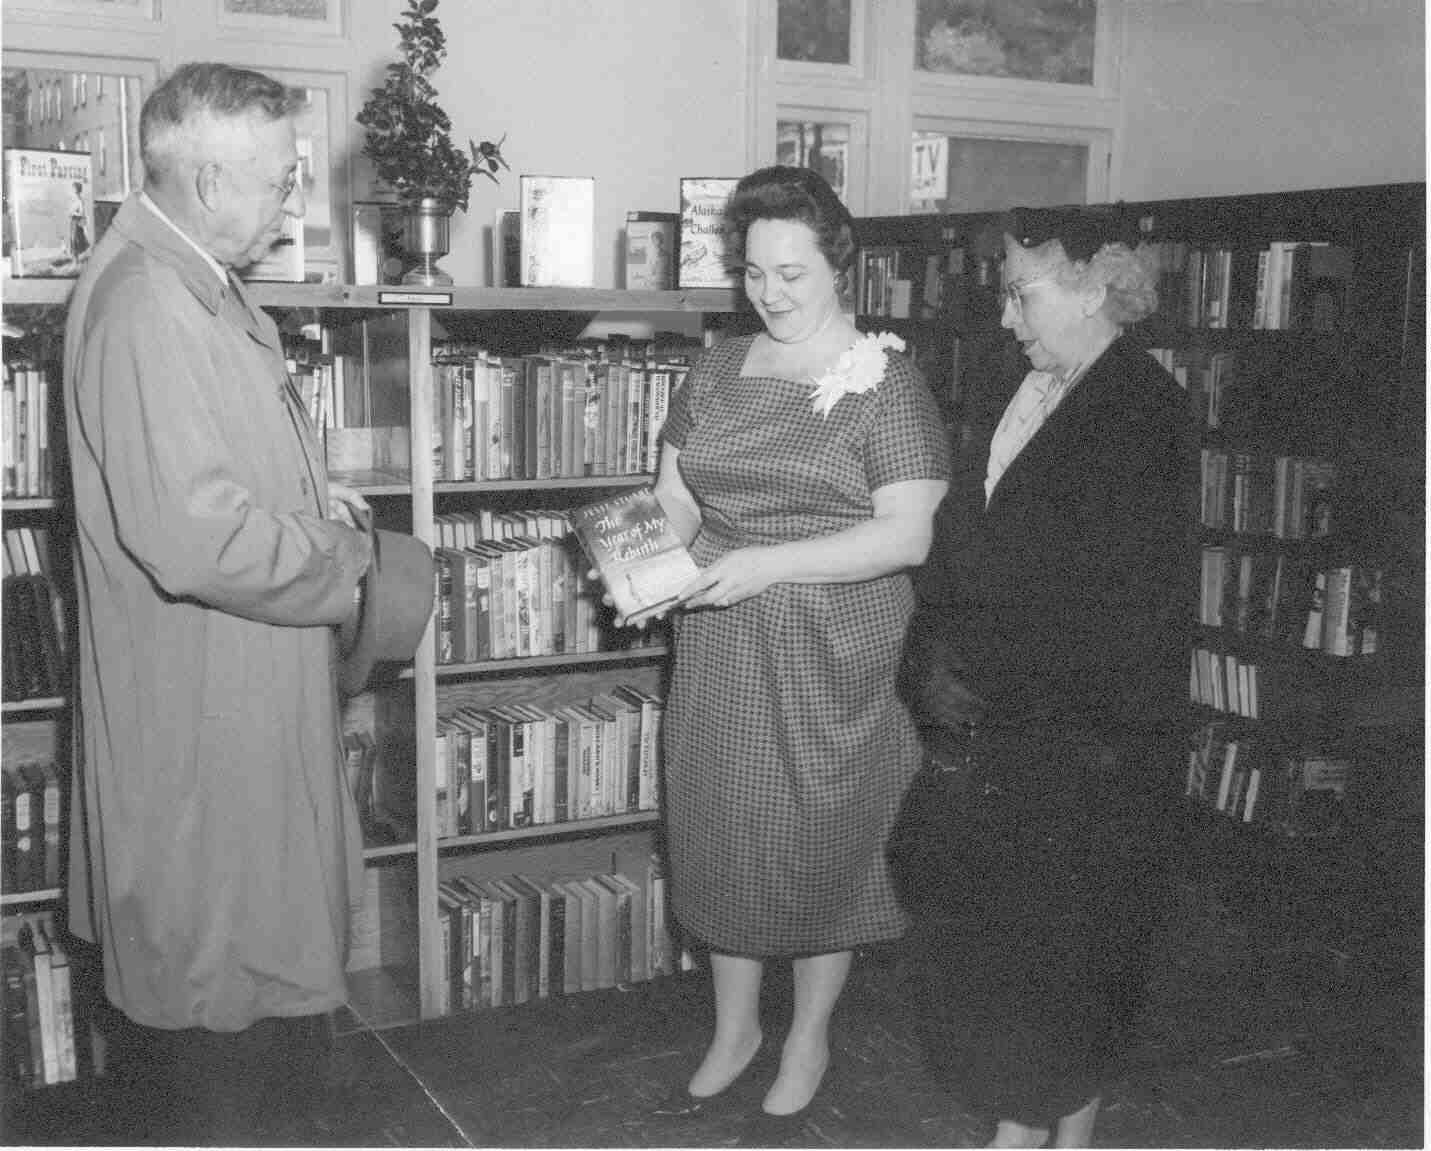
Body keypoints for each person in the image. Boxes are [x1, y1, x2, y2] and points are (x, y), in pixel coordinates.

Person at [61, 62, 376, 1141]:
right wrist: (351, 563)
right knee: (218, 1040)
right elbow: (193, 536)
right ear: (204, 178)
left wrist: (304, 489)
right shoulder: (151, 299)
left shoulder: (197, 280)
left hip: (238, 705)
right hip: (204, 727)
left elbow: (206, 474)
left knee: (252, 1006)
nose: (294, 205)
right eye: (283, 181)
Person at [649, 165, 951, 1139]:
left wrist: (767, 563)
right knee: (724, 825)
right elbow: (676, 500)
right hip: (722, 639)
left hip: (836, 647)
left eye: (792, 272)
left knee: (825, 835)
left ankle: (809, 1034)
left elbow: (906, 537)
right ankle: (735, 1027)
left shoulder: (888, 382)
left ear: (839, 268)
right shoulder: (714, 369)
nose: (770, 292)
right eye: (754, 272)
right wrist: (642, 564)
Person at [896, 217, 1196, 1148]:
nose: (1004, 314)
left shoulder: (1146, 411)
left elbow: (1120, 603)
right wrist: (931, 656)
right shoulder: (1019, 387)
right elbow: (963, 542)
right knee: (1016, 946)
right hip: (1004, 723)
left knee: (1067, 947)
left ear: (1097, 285)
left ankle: (1035, 1132)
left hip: (1088, 737)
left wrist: (995, 681)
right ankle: (1042, 1126)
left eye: (1021, 292)